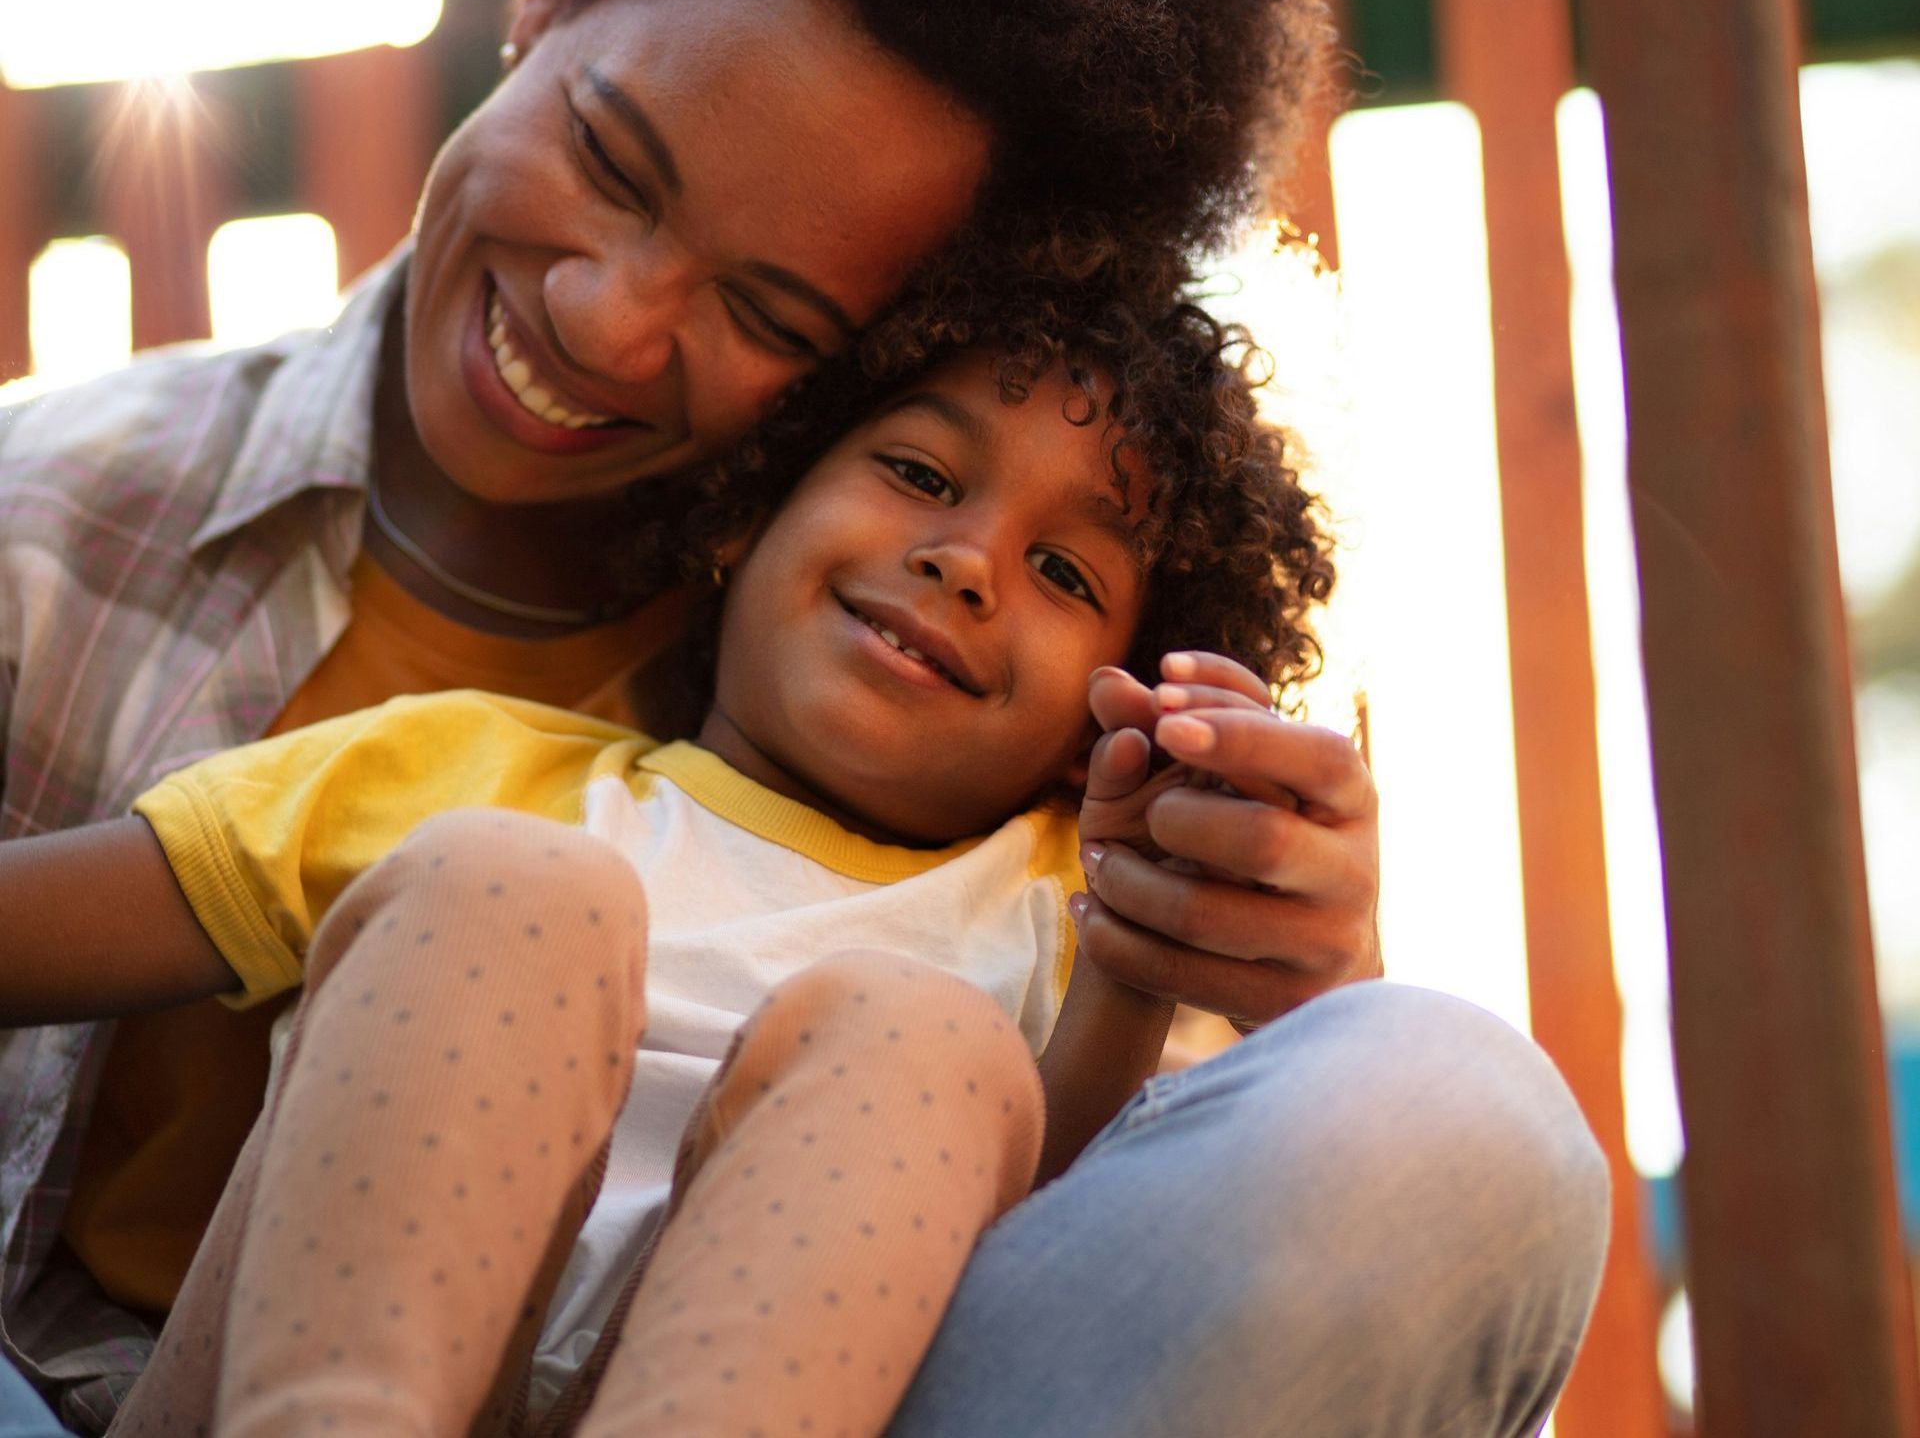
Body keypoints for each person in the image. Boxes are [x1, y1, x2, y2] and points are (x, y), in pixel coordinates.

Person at [0, 0, 1365, 1432]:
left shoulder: (978, 785)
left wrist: (1295, 985)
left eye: (779, 319)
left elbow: (1162, 1247)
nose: (609, 320)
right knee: (509, 891)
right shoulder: (57, 532)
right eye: (615, 160)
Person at [1, 289, 1606, 1437]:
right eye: (918, 471)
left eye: (1063, 570)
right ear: (743, 519)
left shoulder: (1064, 915)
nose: (968, 558)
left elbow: (1080, 1259)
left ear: (1093, 716)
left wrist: (1140, 936)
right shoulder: (459, 763)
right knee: (509, 888)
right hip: (302, 1386)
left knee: (918, 1045)